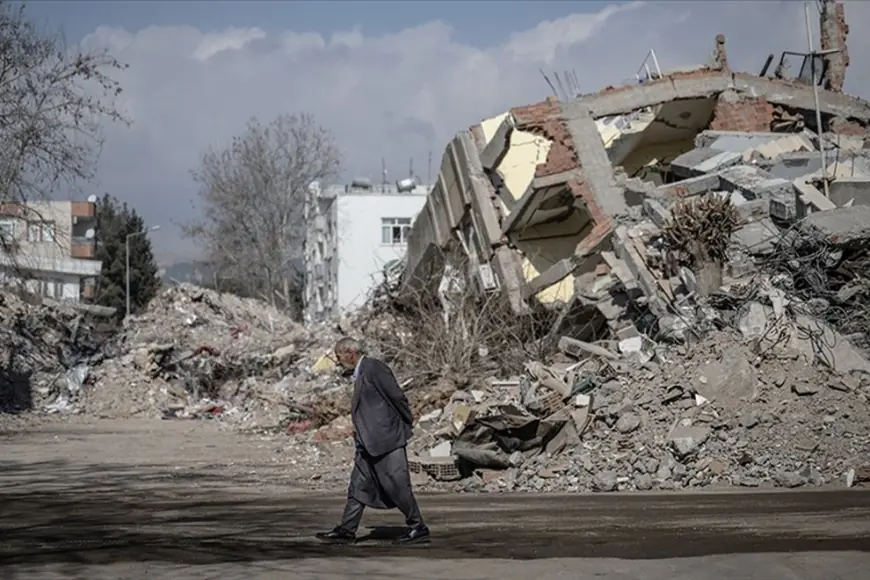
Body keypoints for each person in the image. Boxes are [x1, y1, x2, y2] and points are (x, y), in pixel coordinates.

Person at [315, 337, 430, 545]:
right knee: (357, 487)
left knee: (397, 485)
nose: (338, 360)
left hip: (386, 440)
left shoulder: (374, 368)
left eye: (339, 355)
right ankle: (347, 529)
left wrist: (404, 424)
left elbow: (397, 397)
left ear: (350, 353)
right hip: (368, 442)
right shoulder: (361, 373)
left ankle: (417, 526)